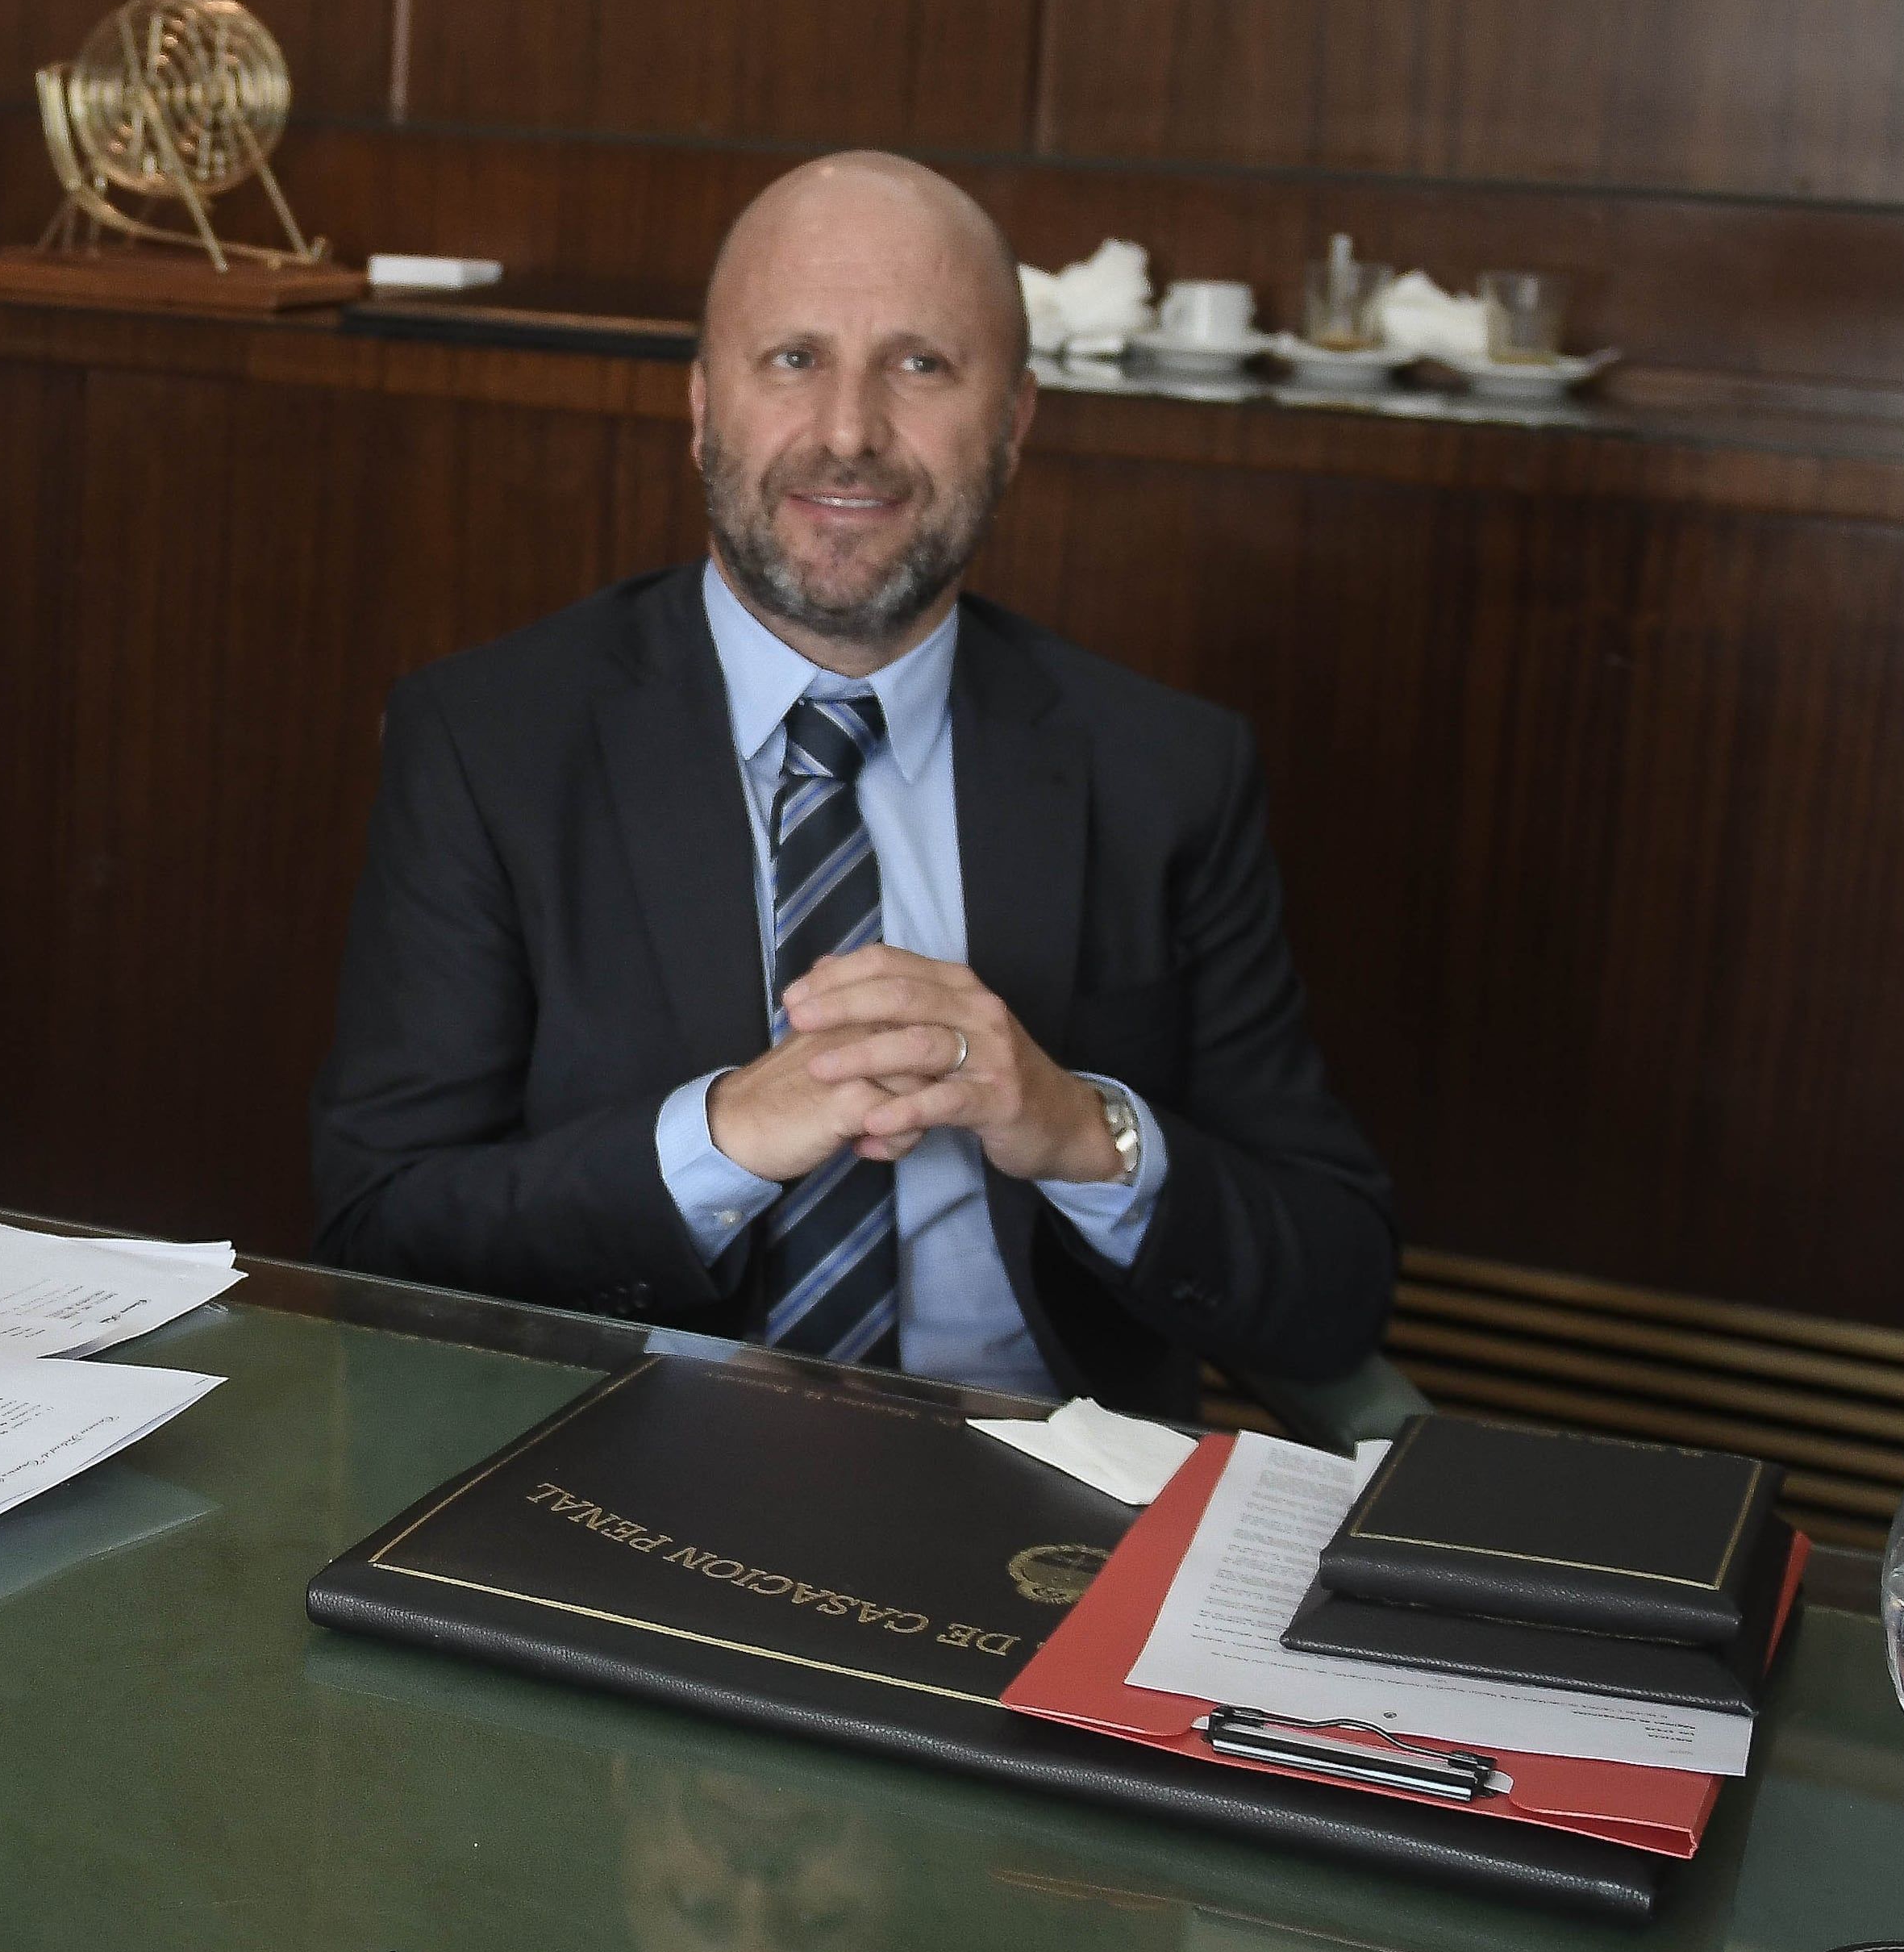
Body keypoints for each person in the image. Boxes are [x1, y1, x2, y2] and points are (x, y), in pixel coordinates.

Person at [309, 153, 1393, 1410]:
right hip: (618, 1477)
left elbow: (1335, 1282)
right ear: (704, 406)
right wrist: (714, 1142)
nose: (848, 432)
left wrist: (1082, 1133)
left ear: (1018, 422)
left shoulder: (1168, 769)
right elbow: (376, 1234)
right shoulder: (490, 740)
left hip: (1045, 1500)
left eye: (921, 364)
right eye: (793, 360)